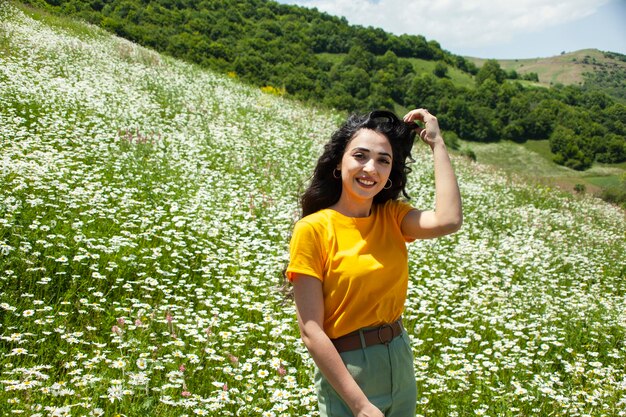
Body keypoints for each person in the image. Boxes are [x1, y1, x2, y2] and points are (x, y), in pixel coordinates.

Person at [286, 108, 462, 417]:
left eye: (383, 160)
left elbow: (448, 220)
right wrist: (360, 405)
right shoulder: (313, 229)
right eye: (360, 156)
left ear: (390, 174)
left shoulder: (393, 217)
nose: (371, 168)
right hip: (349, 372)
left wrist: (437, 144)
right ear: (339, 164)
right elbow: (311, 331)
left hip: (399, 358)